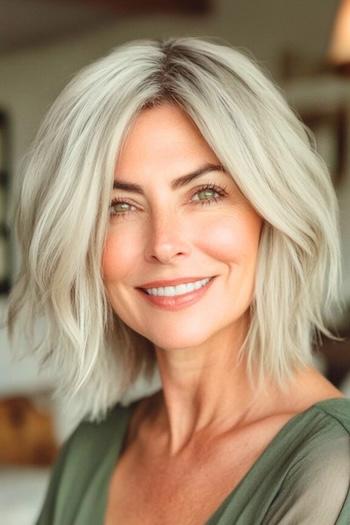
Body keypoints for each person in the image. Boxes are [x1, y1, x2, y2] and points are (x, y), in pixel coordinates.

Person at [6, 36, 350, 525]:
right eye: (119, 205)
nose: (165, 244)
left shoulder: (333, 467)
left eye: (205, 193)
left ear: (270, 213)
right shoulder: (91, 451)